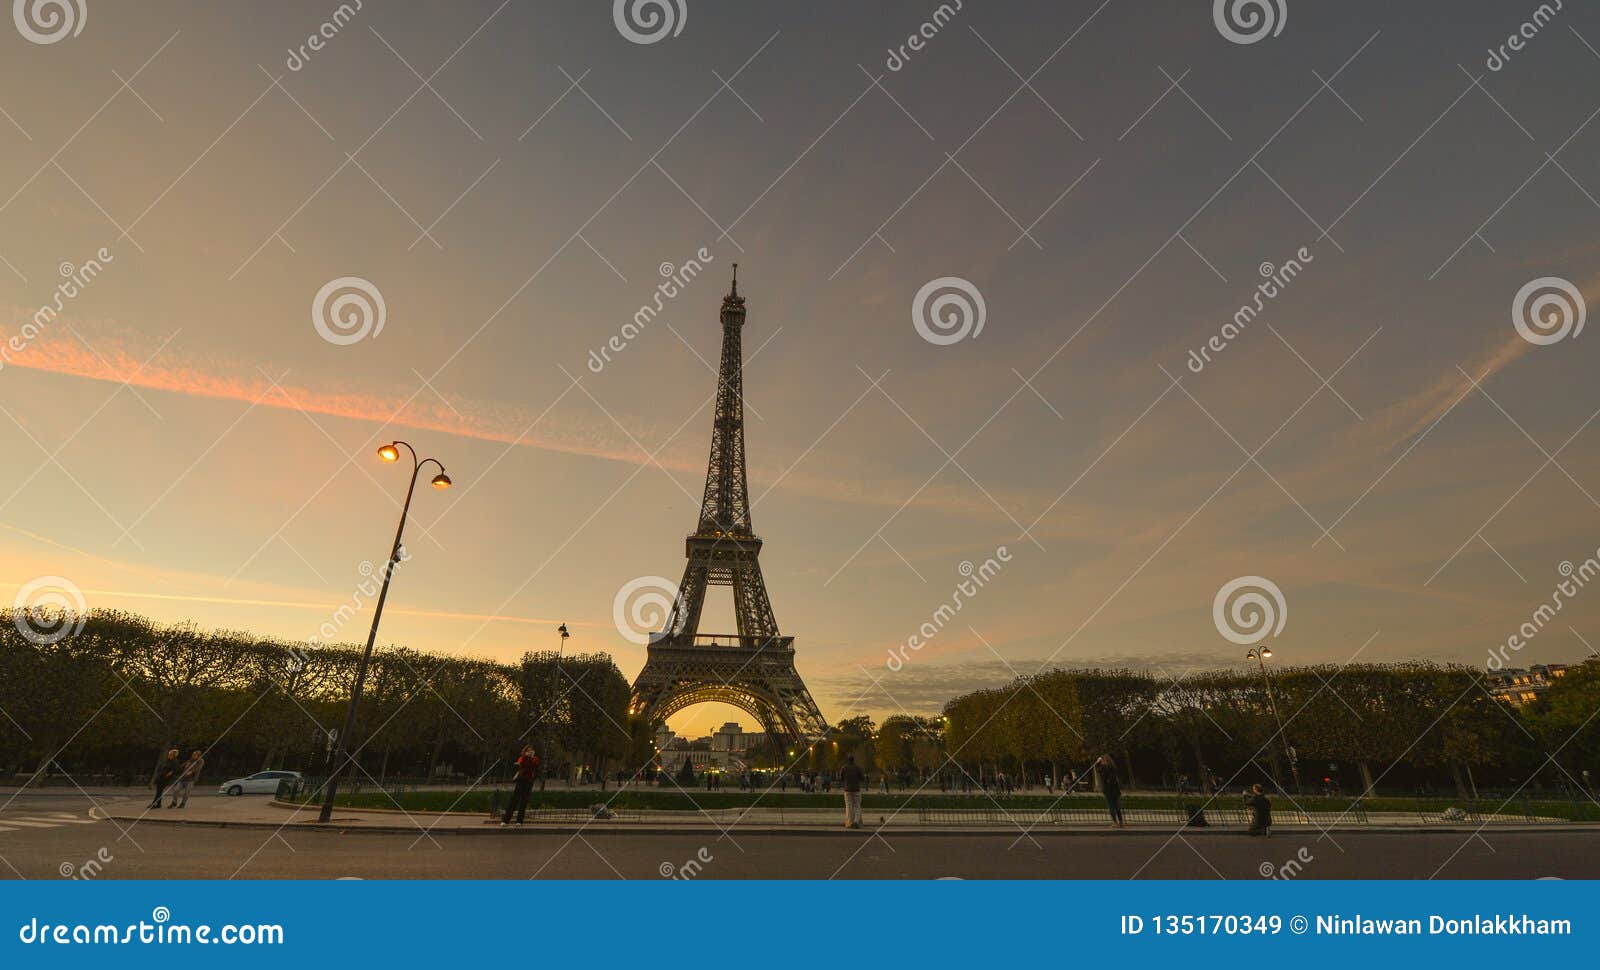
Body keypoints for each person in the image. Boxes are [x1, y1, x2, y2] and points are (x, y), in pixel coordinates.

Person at [501, 745, 539, 825]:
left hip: (529, 781)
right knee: (514, 800)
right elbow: (522, 765)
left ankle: (519, 820)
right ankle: (505, 820)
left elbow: (534, 766)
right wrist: (526, 758)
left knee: (524, 801)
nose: (530, 752)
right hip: (521, 780)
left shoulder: (535, 759)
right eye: (528, 751)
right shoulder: (522, 758)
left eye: (531, 751)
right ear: (525, 752)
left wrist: (531, 758)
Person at [839, 754, 865, 829]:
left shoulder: (844, 768)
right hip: (856, 789)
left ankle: (850, 822)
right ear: (854, 760)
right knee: (857, 806)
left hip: (847, 789)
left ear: (848, 760)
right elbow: (862, 778)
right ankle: (856, 822)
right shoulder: (858, 768)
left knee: (849, 806)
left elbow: (841, 778)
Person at [1097, 755, 1124, 828]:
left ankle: (1115, 822)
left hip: (1108, 790)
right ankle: (1121, 822)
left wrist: (1098, 763)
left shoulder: (1104, 768)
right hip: (1115, 789)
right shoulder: (1113, 768)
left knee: (1111, 806)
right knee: (1117, 806)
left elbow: (1099, 770)